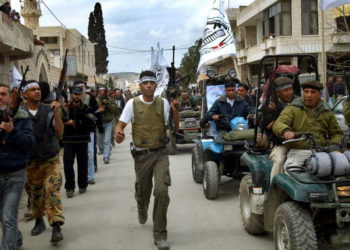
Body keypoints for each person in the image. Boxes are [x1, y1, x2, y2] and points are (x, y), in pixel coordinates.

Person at [115, 70, 171, 250]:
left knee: (162, 191)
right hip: (141, 156)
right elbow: (121, 124)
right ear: (140, 85)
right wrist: (119, 132)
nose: (148, 85)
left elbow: (168, 126)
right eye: (145, 83)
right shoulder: (132, 104)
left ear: (156, 85)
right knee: (143, 191)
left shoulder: (164, 104)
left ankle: (160, 234)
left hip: (160, 153)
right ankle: (141, 205)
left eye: (152, 82)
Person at [23, 81, 65, 243]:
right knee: (35, 194)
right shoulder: (20, 113)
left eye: (38, 89)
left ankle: (56, 226)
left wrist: (57, 113)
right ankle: (39, 220)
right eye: (33, 90)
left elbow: (60, 133)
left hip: (50, 159)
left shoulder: (49, 109)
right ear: (25, 94)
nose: (37, 92)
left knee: (52, 190)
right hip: (30, 162)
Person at [273, 80, 343, 171]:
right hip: (299, 151)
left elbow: (336, 132)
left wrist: (334, 144)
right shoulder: (292, 108)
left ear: (319, 94)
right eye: (306, 92)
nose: (309, 95)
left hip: (322, 152)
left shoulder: (327, 111)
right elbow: (279, 123)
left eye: (313, 92)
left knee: (340, 172)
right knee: (292, 172)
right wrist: (286, 131)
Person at [0, 83, 35, 250]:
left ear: (10, 97)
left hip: (15, 174)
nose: (0, 97)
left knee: (8, 217)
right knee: (4, 217)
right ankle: (16, 238)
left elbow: (28, 144)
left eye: (3, 94)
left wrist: (12, 131)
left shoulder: (22, 117)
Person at [258, 77, 296, 181]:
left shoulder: (298, 102)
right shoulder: (270, 105)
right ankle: (274, 189)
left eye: (290, 89)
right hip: (280, 143)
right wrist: (271, 113)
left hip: (299, 142)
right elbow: (262, 124)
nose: (289, 93)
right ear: (278, 92)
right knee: (279, 160)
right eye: (285, 90)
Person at [63, 86, 94, 198]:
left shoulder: (87, 108)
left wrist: (76, 122)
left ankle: (82, 184)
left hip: (82, 140)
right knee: (67, 164)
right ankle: (70, 187)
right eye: (74, 94)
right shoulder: (65, 108)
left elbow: (91, 121)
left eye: (78, 94)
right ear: (71, 94)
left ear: (82, 95)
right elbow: (61, 120)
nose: (76, 96)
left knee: (82, 163)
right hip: (68, 140)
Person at [97, 87, 117, 164]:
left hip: (108, 122)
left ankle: (106, 157)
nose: (102, 92)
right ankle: (104, 151)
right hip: (99, 123)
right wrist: (99, 109)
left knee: (107, 140)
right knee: (100, 141)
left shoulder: (110, 99)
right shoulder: (96, 100)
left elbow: (113, 110)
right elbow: (92, 110)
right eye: (100, 91)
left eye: (103, 91)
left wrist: (107, 103)